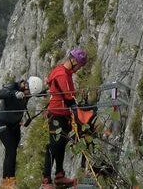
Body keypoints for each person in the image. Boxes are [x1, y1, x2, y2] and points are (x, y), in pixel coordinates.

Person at [41, 47, 87, 187]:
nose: (79, 69)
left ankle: (59, 176)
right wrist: (79, 110)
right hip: (57, 114)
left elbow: (68, 94)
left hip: (62, 114)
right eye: (79, 65)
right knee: (54, 146)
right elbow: (68, 98)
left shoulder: (65, 73)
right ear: (73, 60)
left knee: (60, 144)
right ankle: (46, 180)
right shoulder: (61, 74)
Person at [0, 74, 44, 189]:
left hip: (15, 126)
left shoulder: (28, 92)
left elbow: (39, 93)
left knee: (11, 153)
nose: (28, 96)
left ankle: (6, 182)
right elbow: (1, 93)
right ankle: (9, 182)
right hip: (3, 124)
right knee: (11, 150)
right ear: (25, 86)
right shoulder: (13, 86)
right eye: (28, 93)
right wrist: (14, 94)